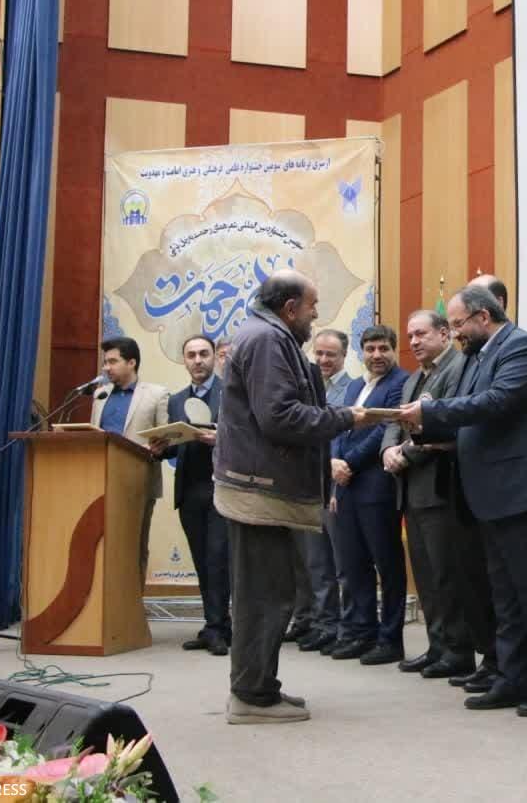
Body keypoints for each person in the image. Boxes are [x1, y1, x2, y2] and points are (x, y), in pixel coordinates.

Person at [397, 286, 527, 717]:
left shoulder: (521, 347)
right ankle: (513, 678)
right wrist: (424, 428)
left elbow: (496, 403)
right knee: (505, 596)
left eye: (458, 324)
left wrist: (430, 412)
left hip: (523, 492)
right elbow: (469, 419)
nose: (455, 333)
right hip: (490, 494)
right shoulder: (478, 356)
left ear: (483, 317)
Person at [215, 269, 368, 724]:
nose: (315, 315)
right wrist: (345, 417)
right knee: (264, 596)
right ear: (290, 308)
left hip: (261, 487)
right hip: (258, 491)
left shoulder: (267, 334)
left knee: (270, 592)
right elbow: (280, 417)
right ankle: (251, 697)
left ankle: (259, 686)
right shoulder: (267, 339)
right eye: (312, 306)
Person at [381, 310, 488, 680]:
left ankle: (458, 651)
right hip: (412, 489)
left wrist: (405, 453)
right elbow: (396, 421)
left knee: (447, 575)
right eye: (410, 335)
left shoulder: (458, 368)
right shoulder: (414, 378)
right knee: (426, 575)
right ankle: (437, 646)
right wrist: (387, 450)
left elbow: (447, 424)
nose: (413, 342)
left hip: (442, 487)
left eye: (421, 334)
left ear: (444, 334)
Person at [328, 325, 409, 665]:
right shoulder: (355, 386)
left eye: (383, 348)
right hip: (345, 486)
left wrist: (348, 462)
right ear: (361, 352)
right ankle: (361, 632)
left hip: (377, 487)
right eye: (370, 349)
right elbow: (340, 426)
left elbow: (384, 430)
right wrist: (334, 462)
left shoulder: (401, 383)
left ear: (394, 349)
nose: (377, 355)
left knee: (387, 565)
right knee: (354, 565)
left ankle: (390, 640)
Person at [151, 335, 231, 657]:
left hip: (222, 488)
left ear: (213, 357)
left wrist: (220, 438)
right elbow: (173, 446)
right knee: (201, 561)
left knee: (218, 560)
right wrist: (159, 448)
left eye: (203, 354)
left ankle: (218, 628)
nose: (198, 360)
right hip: (189, 490)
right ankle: (215, 625)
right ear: (184, 360)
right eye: (191, 355)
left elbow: (249, 436)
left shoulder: (232, 392)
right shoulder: (176, 400)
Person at [285, 328, 353, 653]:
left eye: (331, 354)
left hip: (337, 486)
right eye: (320, 353)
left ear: (344, 356)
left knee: (337, 564)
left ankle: (336, 626)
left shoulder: (353, 389)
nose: (324, 360)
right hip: (305, 485)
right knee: (311, 562)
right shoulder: (307, 387)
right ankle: (315, 621)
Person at [92, 336, 169, 587]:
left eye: (113, 361)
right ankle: (106, 599)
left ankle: (133, 601)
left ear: (132, 362)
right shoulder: (100, 395)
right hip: (101, 482)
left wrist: (156, 447)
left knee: (134, 545)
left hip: (138, 483)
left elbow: (166, 440)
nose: (107, 368)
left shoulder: (156, 394)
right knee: (103, 545)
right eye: (105, 362)